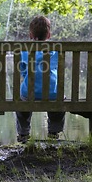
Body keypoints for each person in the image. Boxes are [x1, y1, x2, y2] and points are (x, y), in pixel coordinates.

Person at [15, 15, 65, 143]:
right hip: (52, 95)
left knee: (22, 102)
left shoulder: (25, 51)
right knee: (59, 98)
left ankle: (23, 133)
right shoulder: (55, 50)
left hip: (28, 95)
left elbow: (23, 71)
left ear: (30, 35)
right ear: (49, 35)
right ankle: (54, 131)